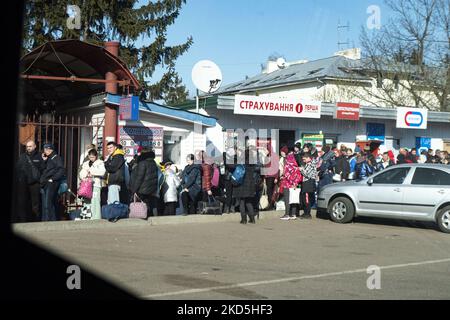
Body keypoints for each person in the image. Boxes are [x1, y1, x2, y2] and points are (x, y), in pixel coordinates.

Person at [15, 140, 45, 222]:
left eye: (30, 146)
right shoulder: (22, 157)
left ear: (35, 146)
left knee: (35, 203)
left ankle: (36, 220)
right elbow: (17, 169)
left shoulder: (39, 156)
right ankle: (24, 220)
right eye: (27, 146)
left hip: (35, 184)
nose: (28, 148)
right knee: (23, 202)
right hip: (23, 184)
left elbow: (43, 169)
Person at [128, 148, 158, 218]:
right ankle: (150, 216)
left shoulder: (142, 163)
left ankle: (142, 216)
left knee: (142, 204)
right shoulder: (153, 162)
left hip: (143, 188)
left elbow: (139, 178)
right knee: (149, 204)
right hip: (151, 187)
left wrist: (134, 190)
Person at [40, 143, 65, 221]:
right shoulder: (48, 158)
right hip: (45, 183)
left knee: (48, 203)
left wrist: (53, 179)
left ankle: (49, 221)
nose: (45, 151)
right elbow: (42, 169)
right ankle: (47, 219)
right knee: (45, 204)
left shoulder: (56, 158)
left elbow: (61, 170)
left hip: (51, 183)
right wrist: (44, 161)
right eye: (44, 149)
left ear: (51, 149)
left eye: (47, 149)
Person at [79, 149, 106, 219]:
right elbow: (81, 173)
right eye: (90, 157)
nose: (91, 159)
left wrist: (91, 172)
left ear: (96, 156)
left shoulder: (100, 163)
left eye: (93, 157)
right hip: (86, 185)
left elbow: (102, 172)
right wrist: (84, 176)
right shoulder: (85, 163)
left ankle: (96, 217)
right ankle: (87, 216)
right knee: (87, 201)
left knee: (95, 200)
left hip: (95, 184)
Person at [233, 149, 258, 224]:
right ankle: (252, 219)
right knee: (249, 202)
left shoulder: (242, 163)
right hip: (250, 185)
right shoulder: (252, 163)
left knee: (242, 202)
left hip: (242, 185)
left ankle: (243, 219)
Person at [280, 152, 303, 220]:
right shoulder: (296, 167)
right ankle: (293, 214)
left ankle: (287, 214)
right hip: (295, 186)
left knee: (287, 200)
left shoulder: (288, 166)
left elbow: (287, 175)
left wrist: (290, 182)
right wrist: (295, 183)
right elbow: (299, 176)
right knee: (294, 199)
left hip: (287, 185)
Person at [299, 152, 317, 219]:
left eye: (304, 159)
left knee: (307, 199)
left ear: (308, 158)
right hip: (306, 183)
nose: (303, 161)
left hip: (308, 183)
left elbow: (307, 175)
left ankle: (308, 214)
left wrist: (301, 170)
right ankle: (305, 212)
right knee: (304, 198)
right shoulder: (308, 164)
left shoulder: (311, 164)